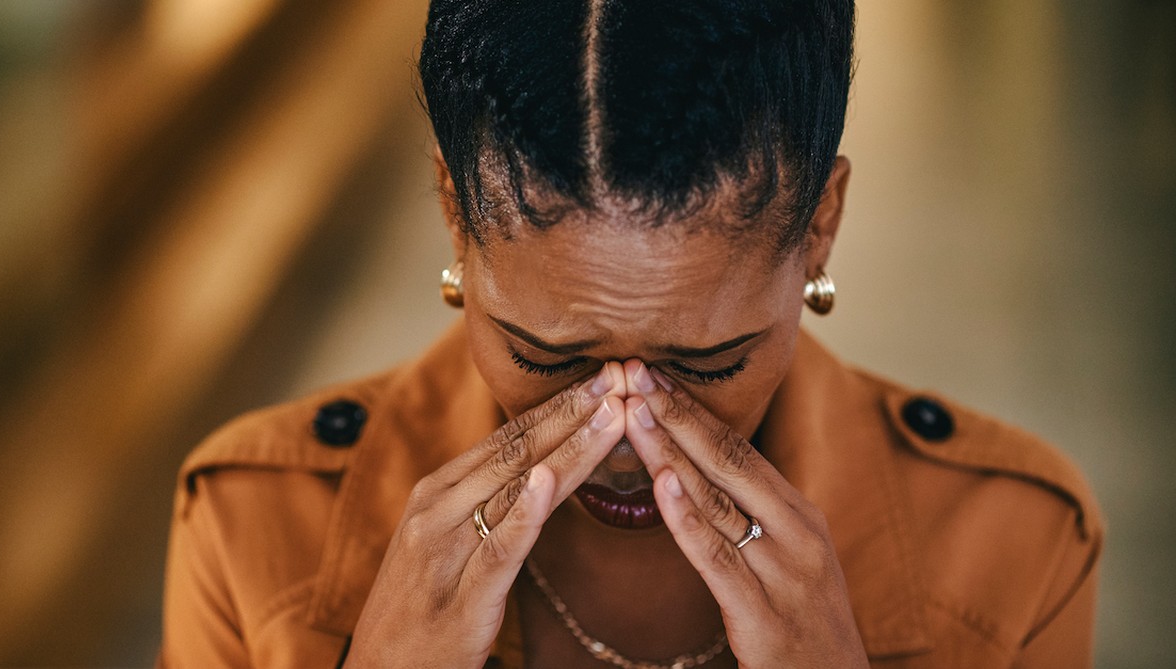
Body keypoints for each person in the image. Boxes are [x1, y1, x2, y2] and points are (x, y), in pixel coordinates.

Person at [158, 1, 1102, 667]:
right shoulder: (253, 530)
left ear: (820, 224)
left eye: (707, 363)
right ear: (455, 214)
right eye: (547, 355)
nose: (623, 430)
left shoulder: (1013, 547)